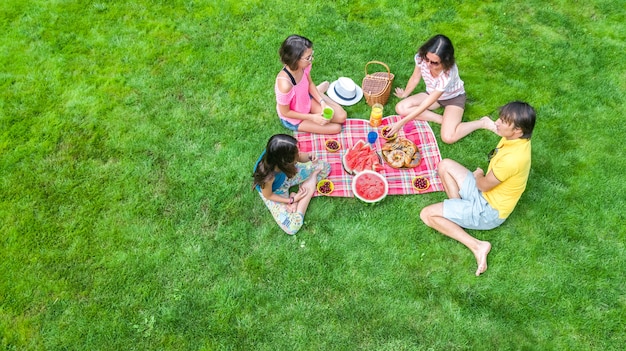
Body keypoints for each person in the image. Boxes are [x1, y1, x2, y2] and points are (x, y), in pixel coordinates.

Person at [419, 101, 536, 276]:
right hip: (483, 194)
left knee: (426, 214)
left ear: (518, 130)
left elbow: (482, 185)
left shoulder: (513, 159)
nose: (497, 122)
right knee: (445, 165)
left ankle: (478, 245)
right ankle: (457, 213)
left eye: (503, 121)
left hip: (489, 210)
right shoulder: (516, 138)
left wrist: (479, 175)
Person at [388, 34, 495, 144]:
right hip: (431, 94)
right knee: (400, 107)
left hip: (453, 98)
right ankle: (441, 119)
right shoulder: (421, 59)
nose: (428, 64)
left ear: (445, 61)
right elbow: (415, 77)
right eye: (427, 59)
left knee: (448, 138)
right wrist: (405, 94)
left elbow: (426, 104)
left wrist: (402, 122)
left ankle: (483, 123)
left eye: (434, 62)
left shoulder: (448, 74)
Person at [253, 134, 331, 235]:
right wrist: (292, 200)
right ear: (285, 161)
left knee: (324, 167)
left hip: (287, 176)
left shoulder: (276, 153)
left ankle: (303, 190)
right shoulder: (268, 177)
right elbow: (268, 195)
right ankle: (307, 192)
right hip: (275, 192)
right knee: (292, 226)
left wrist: (309, 156)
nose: (298, 154)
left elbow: (300, 157)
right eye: (295, 153)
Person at [275, 34, 347, 134]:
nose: (311, 59)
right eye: (308, 57)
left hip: (306, 99)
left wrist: (322, 103)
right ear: (295, 59)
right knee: (336, 128)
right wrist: (312, 117)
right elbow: (285, 112)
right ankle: (320, 91)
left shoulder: (304, 66)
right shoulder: (285, 85)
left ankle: (319, 93)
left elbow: (310, 84)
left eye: (311, 55)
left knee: (342, 117)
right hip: (294, 118)